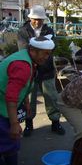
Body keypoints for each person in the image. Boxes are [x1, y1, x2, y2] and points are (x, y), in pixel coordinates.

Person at [0, 35, 55, 165]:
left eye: (49, 54)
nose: (47, 58)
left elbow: (23, 86)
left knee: (10, 143)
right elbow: (11, 96)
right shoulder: (23, 66)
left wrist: (26, 103)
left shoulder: (25, 56)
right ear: (33, 50)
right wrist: (14, 124)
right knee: (10, 143)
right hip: (2, 109)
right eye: (45, 54)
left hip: (6, 107)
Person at [17, 5, 65, 136]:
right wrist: (43, 49)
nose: (38, 22)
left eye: (40, 19)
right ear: (30, 18)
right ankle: (29, 124)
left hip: (47, 69)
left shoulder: (49, 30)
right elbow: (24, 49)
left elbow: (52, 47)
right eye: (35, 19)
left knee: (51, 97)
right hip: (30, 69)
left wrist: (38, 49)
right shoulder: (23, 31)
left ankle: (55, 122)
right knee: (30, 98)